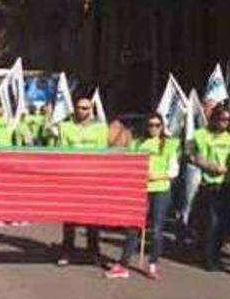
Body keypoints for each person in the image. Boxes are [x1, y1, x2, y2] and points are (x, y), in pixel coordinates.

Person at [108, 112, 179, 279]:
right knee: (133, 226)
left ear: (162, 126)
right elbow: (129, 163)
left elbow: (174, 171)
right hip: (140, 190)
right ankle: (123, 264)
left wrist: (157, 176)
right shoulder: (137, 142)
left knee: (156, 228)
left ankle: (153, 264)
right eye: (151, 125)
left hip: (160, 190)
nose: (154, 128)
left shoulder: (169, 144)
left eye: (157, 125)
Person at [55, 92, 108, 267]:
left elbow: (102, 154)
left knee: (93, 218)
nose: (82, 110)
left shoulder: (101, 128)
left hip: (92, 179)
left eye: (85, 107)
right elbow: (62, 153)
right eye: (79, 107)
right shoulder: (66, 127)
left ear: (91, 110)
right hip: (72, 179)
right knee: (69, 219)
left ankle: (93, 251)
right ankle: (66, 251)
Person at [190, 104, 230, 271]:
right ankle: (207, 258)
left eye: (228, 120)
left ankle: (216, 255)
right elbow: (196, 157)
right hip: (210, 184)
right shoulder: (202, 135)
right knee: (211, 222)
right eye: (222, 119)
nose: (225, 122)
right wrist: (212, 167)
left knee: (223, 223)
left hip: (228, 184)